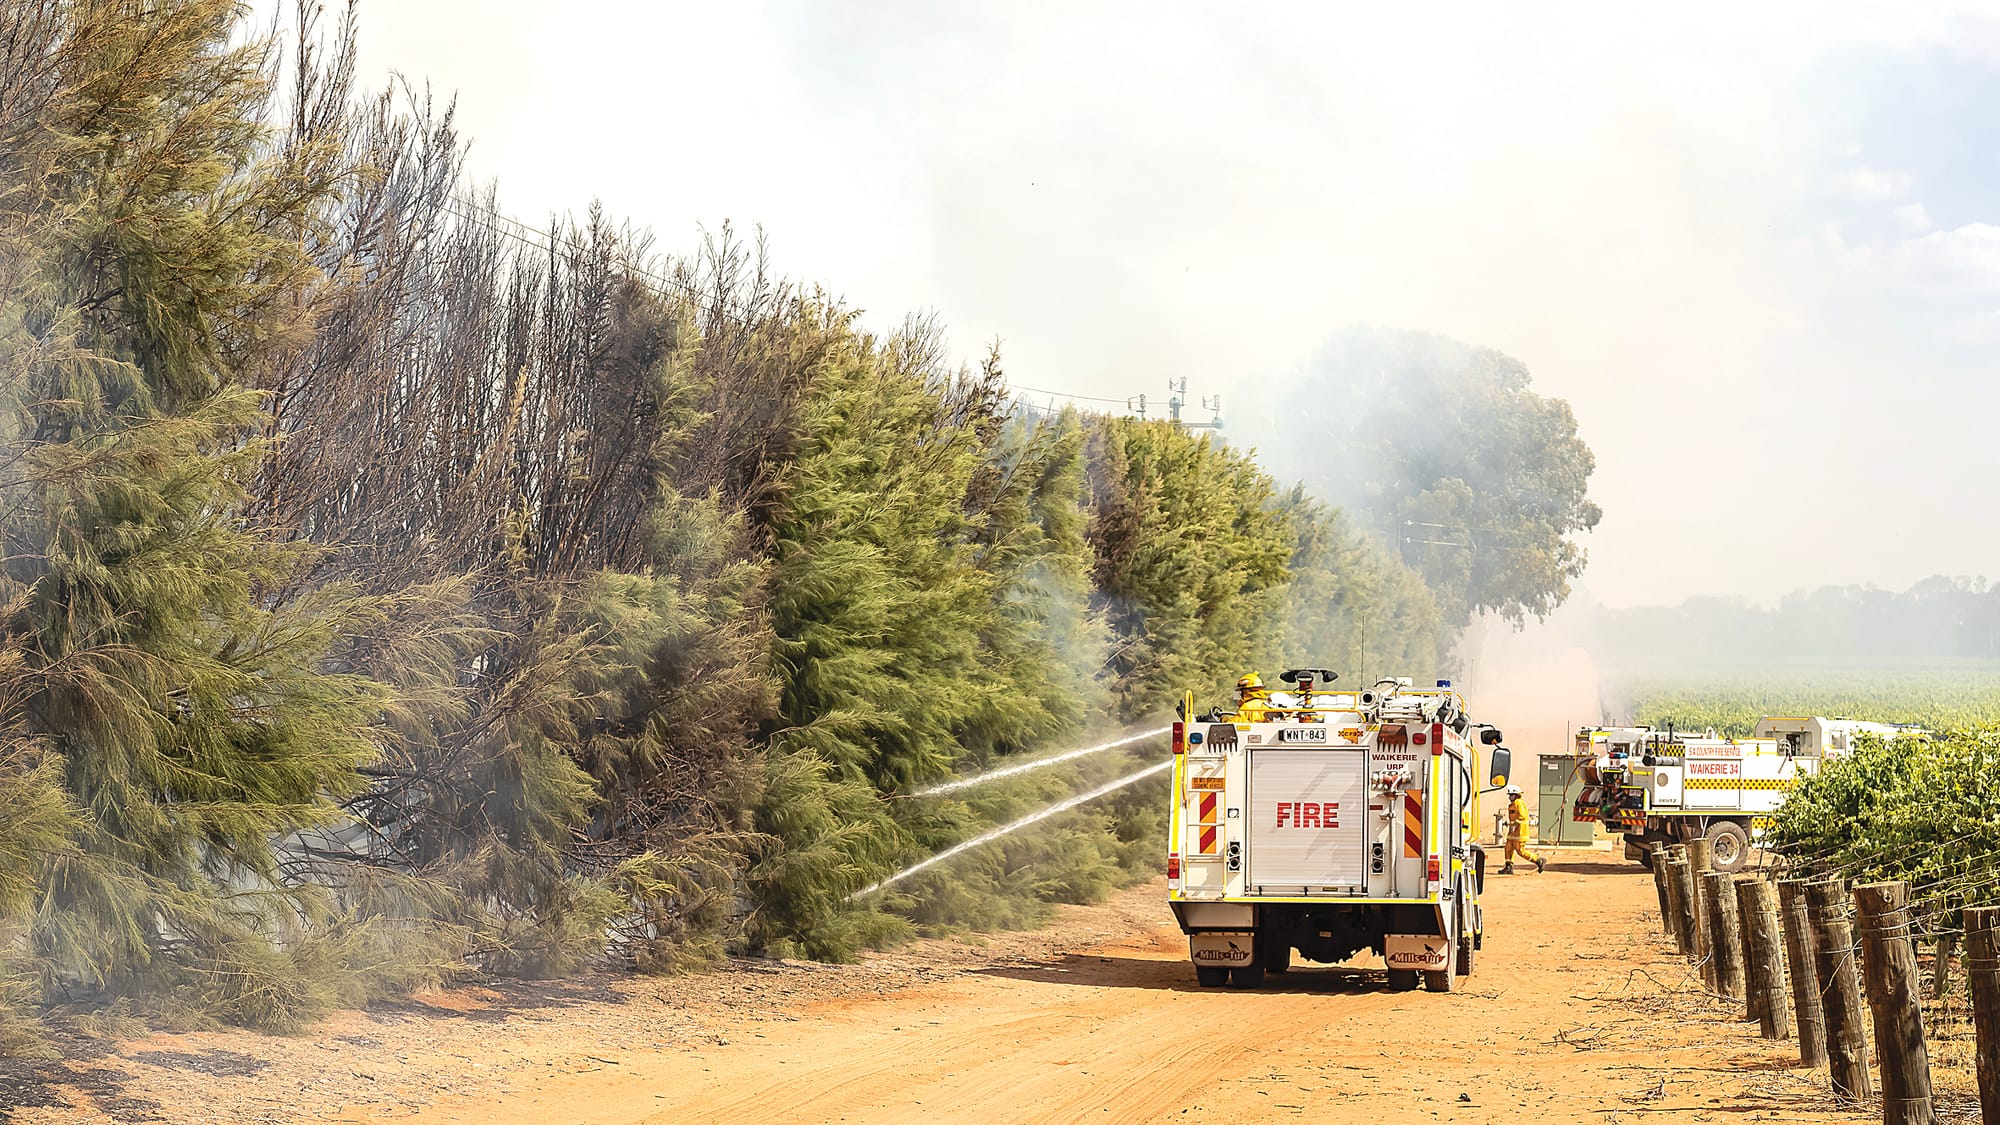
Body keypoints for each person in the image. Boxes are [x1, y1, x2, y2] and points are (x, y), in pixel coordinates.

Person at [1500, 784, 1546, 874]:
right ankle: (1508, 866)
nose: (1509, 797)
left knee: (1520, 851)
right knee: (1508, 849)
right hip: (1513, 832)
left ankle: (1538, 860)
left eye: (1511, 795)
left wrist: (1515, 824)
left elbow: (1523, 816)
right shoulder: (1512, 804)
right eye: (1509, 795)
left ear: (1516, 795)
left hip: (1520, 832)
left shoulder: (1519, 803)